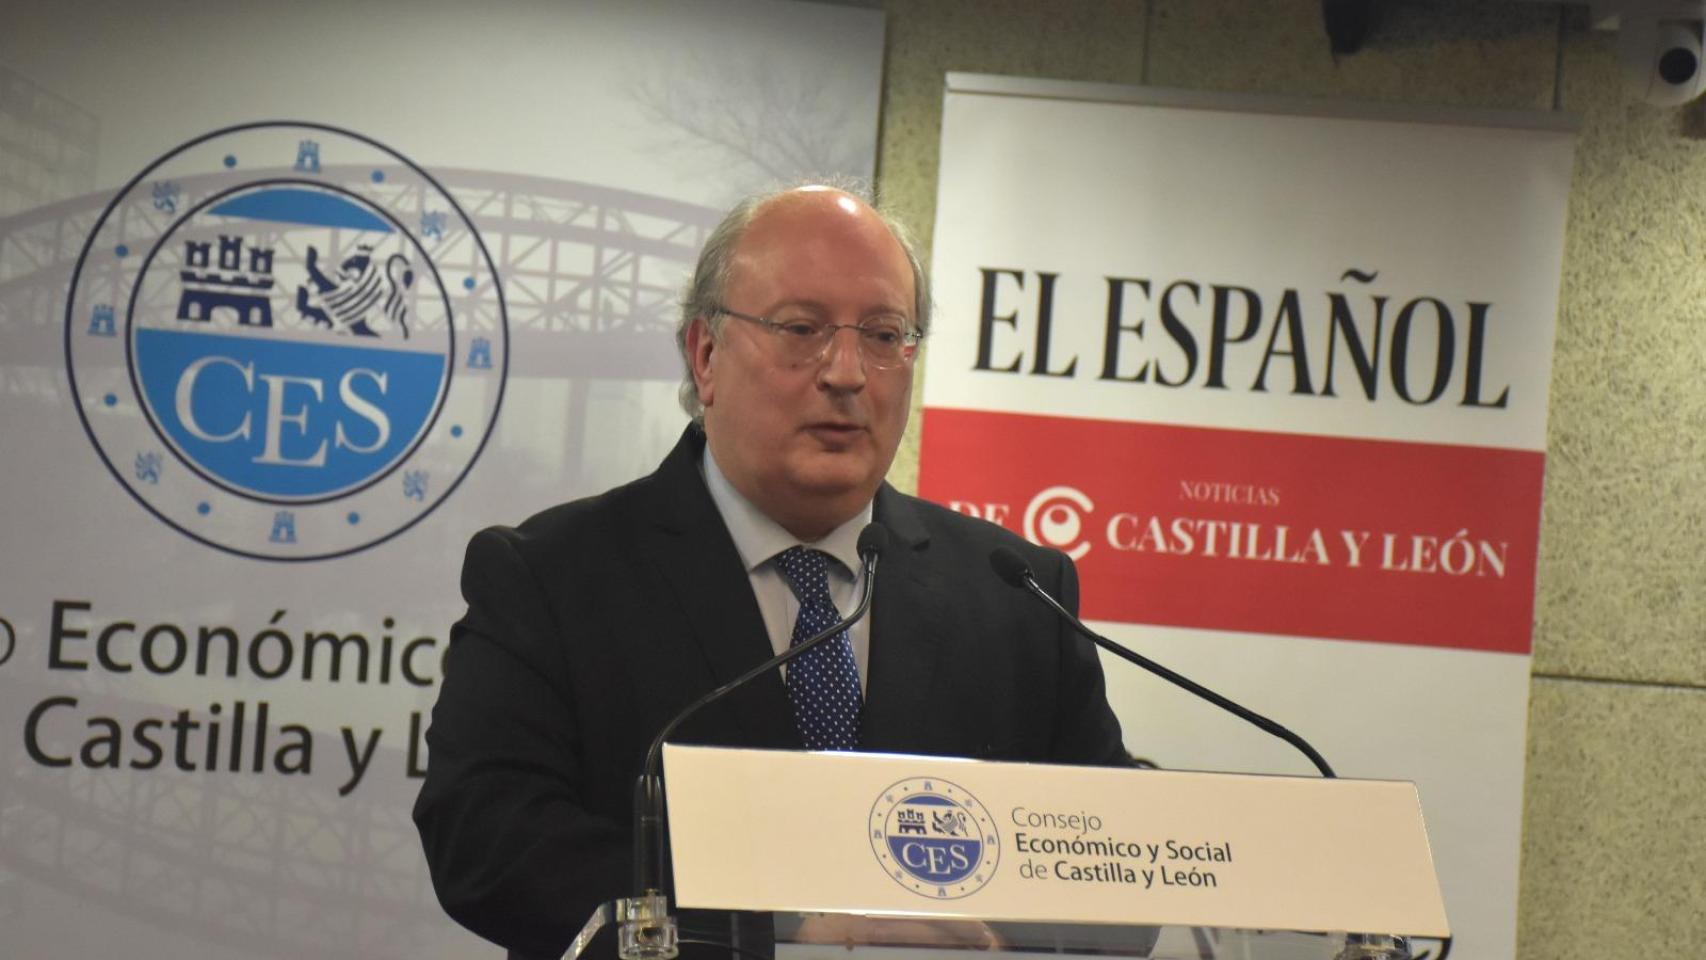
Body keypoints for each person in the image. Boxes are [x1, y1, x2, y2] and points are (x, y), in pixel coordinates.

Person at [413, 184, 1126, 960]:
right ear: (705, 356)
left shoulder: (1017, 594)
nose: (848, 373)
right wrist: (774, 928)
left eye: (884, 335)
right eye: (802, 329)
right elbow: (483, 836)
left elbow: (1105, 858)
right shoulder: (550, 577)